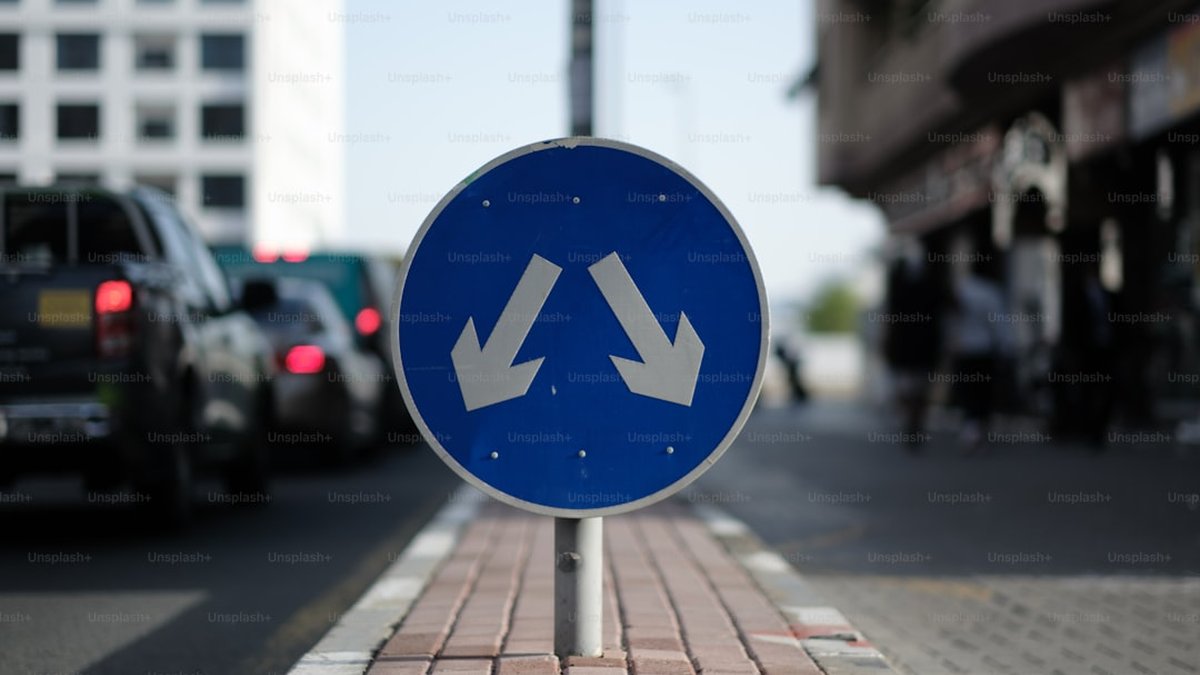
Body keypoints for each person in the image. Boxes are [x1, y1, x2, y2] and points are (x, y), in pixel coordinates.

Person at [947, 255, 1013, 452]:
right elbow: (999, 323)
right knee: (982, 392)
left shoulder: (962, 289)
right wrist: (1006, 346)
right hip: (984, 349)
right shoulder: (989, 291)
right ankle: (977, 428)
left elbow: (952, 320)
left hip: (963, 349)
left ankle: (970, 427)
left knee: (967, 391)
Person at [882, 243, 944, 447]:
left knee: (915, 388)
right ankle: (913, 423)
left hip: (917, 345)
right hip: (912, 346)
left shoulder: (922, 284)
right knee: (912, 388)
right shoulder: (906, 284)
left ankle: (914, 424)